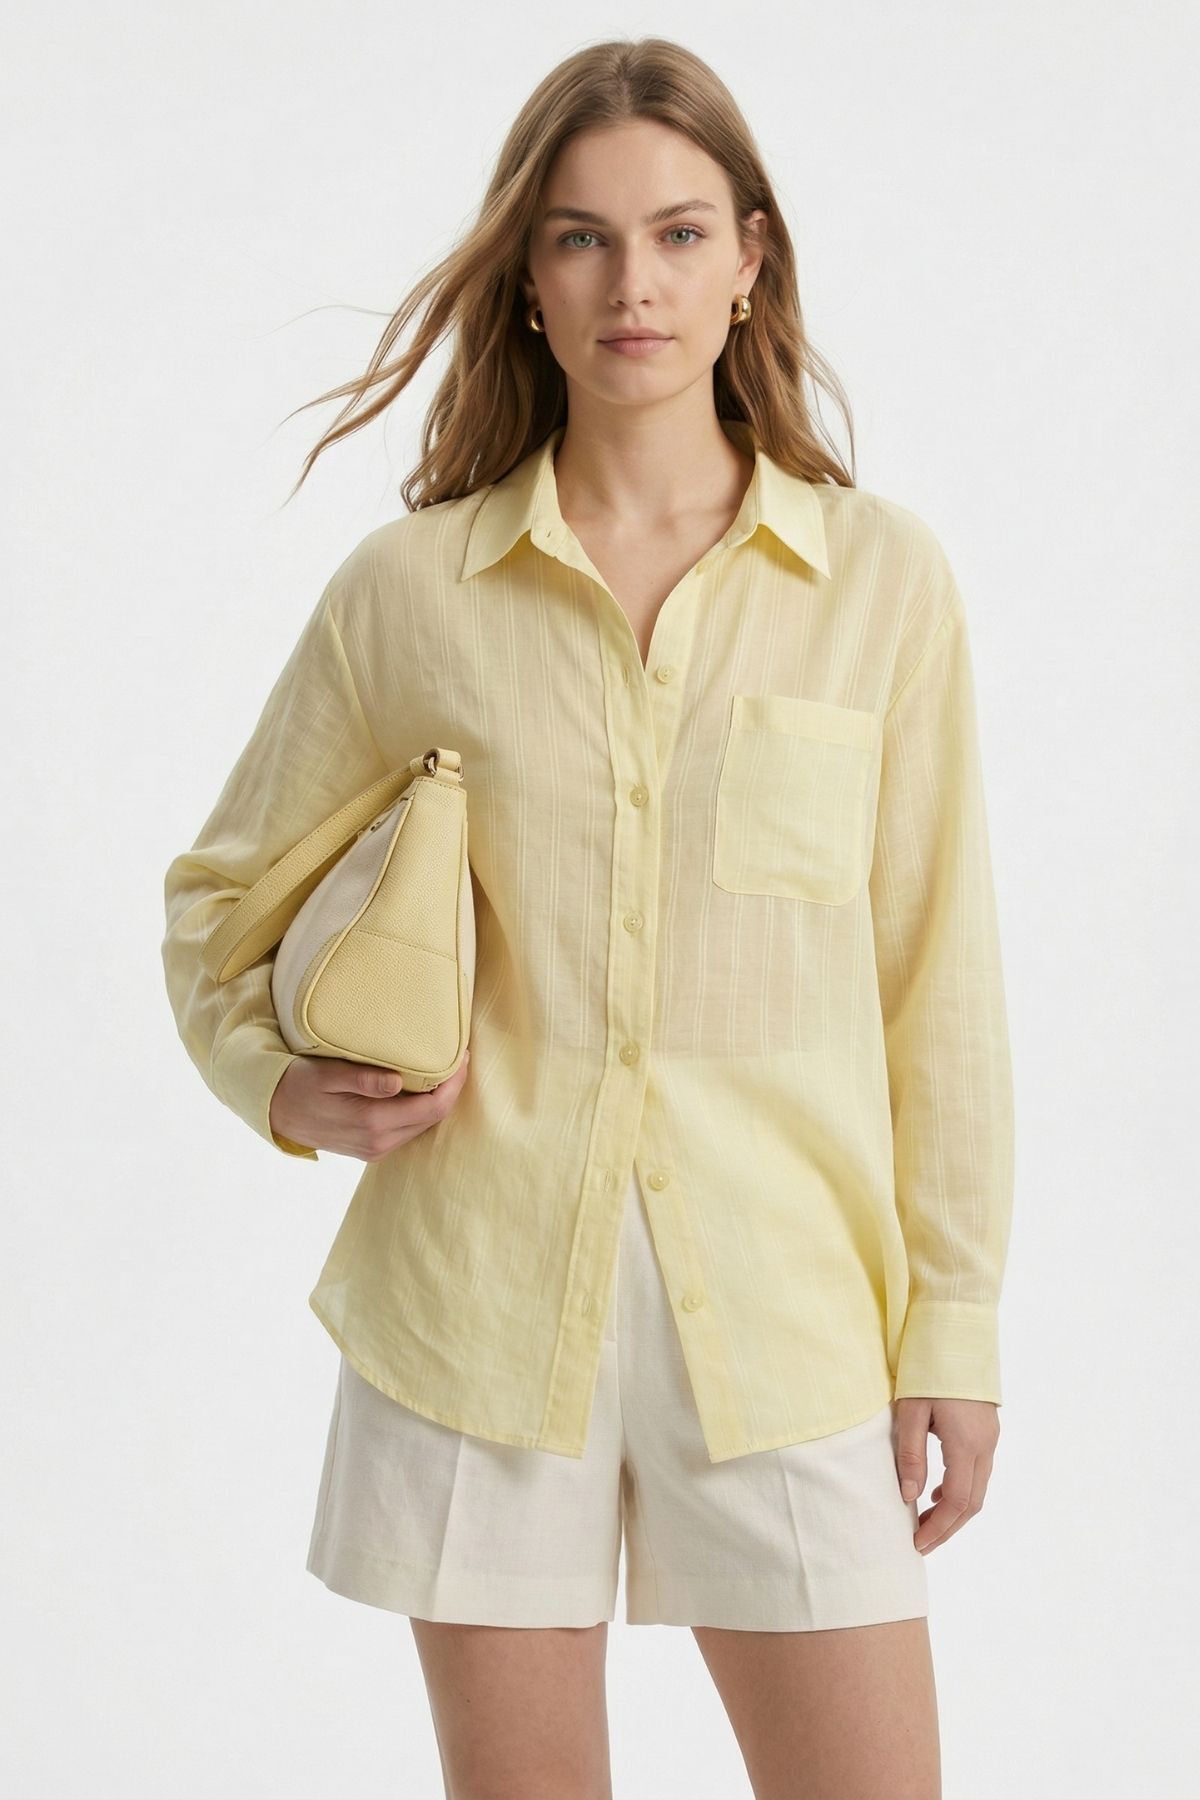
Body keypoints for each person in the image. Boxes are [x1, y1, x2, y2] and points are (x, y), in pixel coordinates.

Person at [161, 36, 1015, 1800]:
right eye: (583, 238)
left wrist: (954, 1329)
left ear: (749, 260)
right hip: (475, 1316)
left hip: (787, 1325)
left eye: (680, 234)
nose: (636, 284)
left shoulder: (880, 585)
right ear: (529, 278)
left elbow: (938, 985)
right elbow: (217, 900)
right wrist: (276, 1084)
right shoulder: (413, 593)